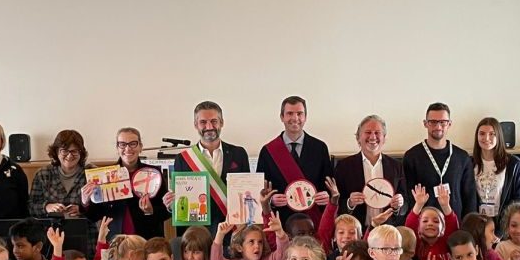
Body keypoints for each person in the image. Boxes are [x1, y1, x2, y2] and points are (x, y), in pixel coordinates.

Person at [171, 101, 250, 235]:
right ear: (196, 125)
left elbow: (247, 192)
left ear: (222, 122)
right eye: (203, 122)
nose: (209, 126)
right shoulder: (183, 159)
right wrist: (171, 204)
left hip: (233, 230)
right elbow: (180, 201)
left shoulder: (239, 154)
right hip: (199, 233)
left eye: (214, 121)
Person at [257, 96, 335, 225]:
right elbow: (261, 190)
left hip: (313, 220)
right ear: (282, 117)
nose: (295, 118)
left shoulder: (320, 147)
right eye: (289, 113)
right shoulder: (268, 151)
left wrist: (327, 196)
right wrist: (271, 200)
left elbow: (330, 184)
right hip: (280, 221)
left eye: (299, 113)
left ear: (305, 117)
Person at [87, 128, 170, 239]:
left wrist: (151, 211)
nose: (127, 148)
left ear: (140, 147)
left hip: (148, 240)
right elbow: (94, 215)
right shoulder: (105, 176)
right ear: (117, 148)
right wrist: (85, 200)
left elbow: (166, 211)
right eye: (122, 144)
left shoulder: (153, 173)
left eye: (133, 144)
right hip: (115, 240)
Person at [334, 115, 406, 228]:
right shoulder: (344, 166)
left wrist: (399, 205)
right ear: (358, 137)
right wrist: (350, 203)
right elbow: (335, 203)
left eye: (377, 132)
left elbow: (405, 204)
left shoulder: (396, 166)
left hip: (387, 232)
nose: (373, 137)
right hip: (356, 232)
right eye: (368, 132)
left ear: (384, 138)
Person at [403, 102, 474, 216]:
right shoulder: (412, 157)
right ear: (425, 124)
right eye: (433, 122)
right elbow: (407, 197)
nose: (438, 126)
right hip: (424, 226)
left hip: (455, 226)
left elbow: (470, 198)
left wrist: (469, 228)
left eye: (443, 122)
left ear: (449, 124)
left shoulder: (462, 158)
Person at [469, 117, 520, 223]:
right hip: (477, 224)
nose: (486, 138)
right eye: (482, 133)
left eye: (492, 134)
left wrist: (501, 230)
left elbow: (518, 201)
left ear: (499, 136)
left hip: (504, 225)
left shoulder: (514, 165)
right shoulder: (469, 164)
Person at [29, 129, 89, 219]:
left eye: (74, 151)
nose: (69, 156)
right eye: (64, 151)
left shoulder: (91, 173)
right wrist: (46, 207)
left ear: (81, 153)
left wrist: (82, 209)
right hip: (50, 229)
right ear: (56, 152)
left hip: (85, 229)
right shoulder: (43, 174)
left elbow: (102, 208)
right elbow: (31, 207)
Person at [406, 183, 460, 260]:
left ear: (443, 228)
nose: (430, 223)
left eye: (436, 221)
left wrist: (445, 206)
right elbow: (409, 228)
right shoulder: (417, 244)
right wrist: (418, 205)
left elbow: (453, 226)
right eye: (425, 221)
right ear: (418, 227)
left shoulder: (444, 243)